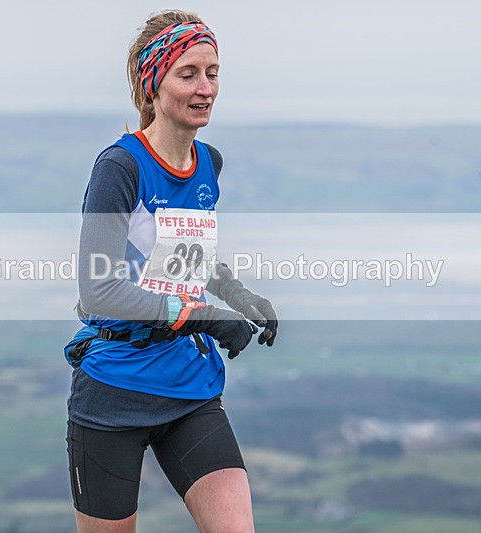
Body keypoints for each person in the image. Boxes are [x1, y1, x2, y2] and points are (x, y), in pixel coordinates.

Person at [64, 10, 278, 533]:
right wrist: (207, 316)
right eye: (189, 73)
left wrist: (239, 294)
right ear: (152, 83)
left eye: (214, 72)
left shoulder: (209, 163)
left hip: (188, 387)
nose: (206, 88)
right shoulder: (120, 167)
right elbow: (99, 290)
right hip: (115, 390)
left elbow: (185, 255)